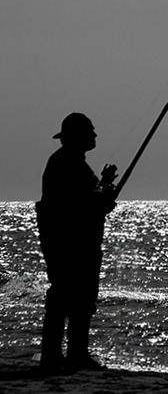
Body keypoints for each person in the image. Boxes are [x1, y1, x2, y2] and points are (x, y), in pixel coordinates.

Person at [35, 113, 117, 374]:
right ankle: (66, 356)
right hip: (70, 245)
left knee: (76, 298)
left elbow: (89, 196)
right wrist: (104, 194)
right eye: (90, 132)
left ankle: (65, 355)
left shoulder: (72, 163)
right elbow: (83, 200)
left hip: (74, 243)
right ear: (78, 137)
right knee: (69, 298)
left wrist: (104, 186)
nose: (94, 136)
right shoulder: (66, 163)